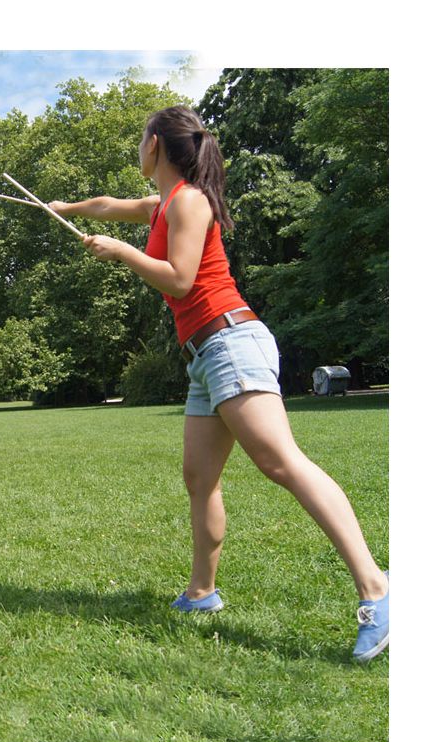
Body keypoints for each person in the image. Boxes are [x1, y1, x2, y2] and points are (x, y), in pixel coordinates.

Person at [49, 105, 389, 663]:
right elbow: (109, 206)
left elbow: (181, 281)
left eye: (139, 140)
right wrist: (62, 207)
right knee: (199, 478)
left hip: (231, 341)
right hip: (206, 355)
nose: (137, 149)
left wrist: (124, 252)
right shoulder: (164, 204)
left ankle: (377, 587)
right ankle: (201, 594)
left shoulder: (189, 201)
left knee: (281, 461)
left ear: (154, 143)